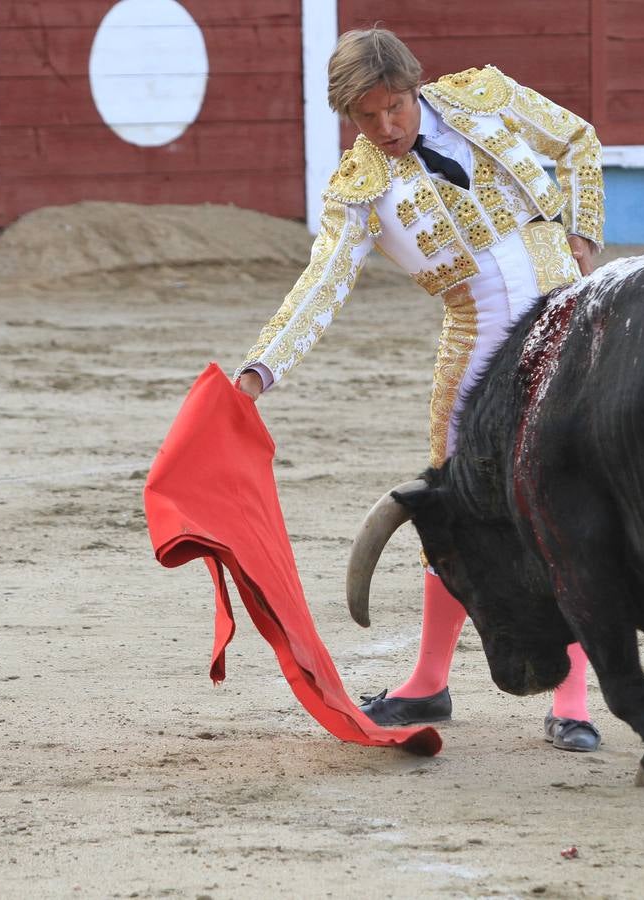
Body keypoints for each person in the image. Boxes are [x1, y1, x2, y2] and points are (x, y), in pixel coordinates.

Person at [234, 28, 605, 752]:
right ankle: (428, 679)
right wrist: (259, 370)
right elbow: (323, 285)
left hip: (568, 325)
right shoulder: (358, 188)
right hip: (476, 350)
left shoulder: (483, 96)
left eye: (395, 108)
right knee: (453, 514)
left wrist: (584, 233)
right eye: (367, 118)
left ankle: (573, 694)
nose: (386, 128)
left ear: (416, 88)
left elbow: (580, 142)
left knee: (573, 505)